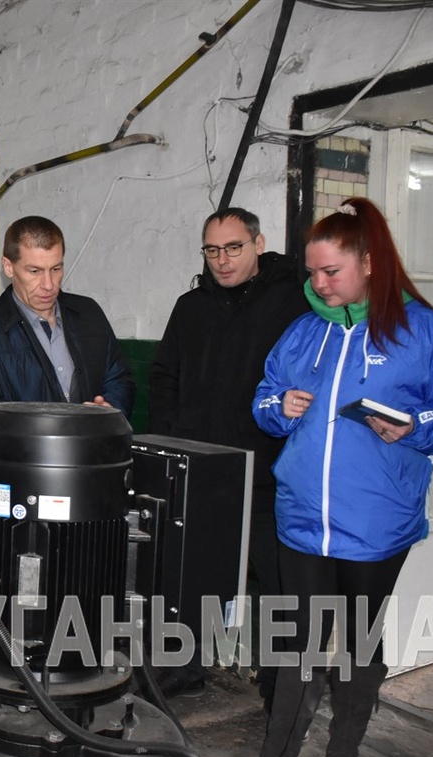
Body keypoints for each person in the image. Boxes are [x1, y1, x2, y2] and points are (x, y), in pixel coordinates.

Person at [239, 197, 433, 757]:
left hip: (376, 523)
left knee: (358, 642)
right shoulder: (304, 331)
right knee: (297, 645)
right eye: (312, 272)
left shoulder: (423, 330)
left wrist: (414, 426)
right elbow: (264, 399)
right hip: (302, 519)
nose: (318, 284)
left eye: (330, 271)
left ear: (368, 263)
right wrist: (279, 407)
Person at [149, 208, 309, 701]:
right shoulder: (191, 307)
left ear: (258, 244)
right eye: (212, 250)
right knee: (191, 578)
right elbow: (165, 378)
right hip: (200, 472)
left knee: (280, 583)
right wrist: (173, 439)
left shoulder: (292, 301)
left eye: (234, 247)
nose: (222, 260)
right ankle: (182, 667)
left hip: (266, 475)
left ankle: (280, 683)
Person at [0, 215, 134, 436]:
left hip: (94, 452)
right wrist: (55, 436)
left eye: (56, 269)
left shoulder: (89, 314)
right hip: (25, 458)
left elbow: (118, 378)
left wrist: (109, 410)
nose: (48, 284)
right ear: (8, 267)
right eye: (35, 271)